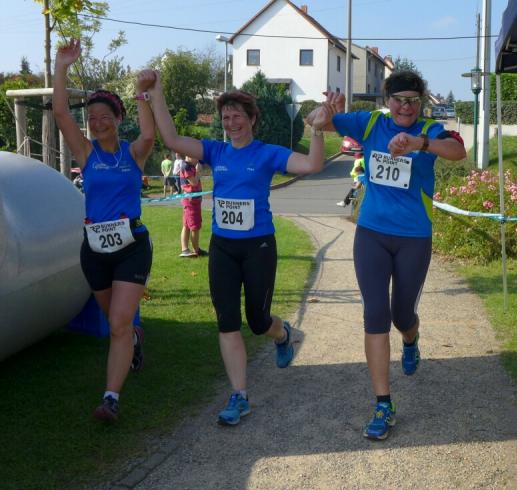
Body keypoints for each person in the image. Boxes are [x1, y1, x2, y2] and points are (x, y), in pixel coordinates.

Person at [142, 69, 334, 426]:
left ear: (252, 119)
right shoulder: (215, 151)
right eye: (225, 117)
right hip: (223, 248)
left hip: (258, 247)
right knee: (227, 321)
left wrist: (318, 131)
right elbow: (170, 137)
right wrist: (157, 92)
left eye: (237, 116)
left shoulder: (267, 153)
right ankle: (239, 395)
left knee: (258, 322)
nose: (230, 123)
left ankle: (282, 334)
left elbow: (312, 164)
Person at [307, 71, 467, 440]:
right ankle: (383, 404)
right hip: (372, 234)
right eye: (398, 100)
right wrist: (324, 112)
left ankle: (411, 339)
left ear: (421, 102)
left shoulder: (429, 129)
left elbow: (458, 152)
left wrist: (419, 144)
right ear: (387, 100)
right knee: (375, 313)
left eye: (412, 100)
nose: (405, 107)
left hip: (413, 237)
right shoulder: (370, 123)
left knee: (401, 315)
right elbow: (321, 122)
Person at [53, 39, 155, 422]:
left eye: (104, 116)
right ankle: (134, 339)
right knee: (118, 323)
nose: (96, 122)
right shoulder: (86, 152)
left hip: (132, 246)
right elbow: (61, 113)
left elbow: (149, 135)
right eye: (91, 117)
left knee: (117, 324)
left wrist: (143, 95)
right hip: (94, 249)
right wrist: (61, 66)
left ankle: (110, 398)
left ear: (117, 118)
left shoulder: (133, 153)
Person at [178, 155, 206, 257]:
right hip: (191, 202)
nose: (197, 160)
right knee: (195, 227)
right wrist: (198, 172)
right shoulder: (186, 166)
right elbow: (194, 182)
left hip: (192, 200)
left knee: (186, 225)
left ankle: (185, 249)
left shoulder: (189, 166)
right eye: (196, 157)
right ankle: (196, 250)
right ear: (189, 156)